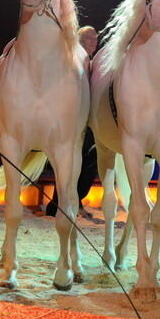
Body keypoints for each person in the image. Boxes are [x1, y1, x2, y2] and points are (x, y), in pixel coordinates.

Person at [45, 26, 99, 218]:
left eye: (95, 39)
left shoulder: (91, 62)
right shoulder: (72, 60)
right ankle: (58, 205)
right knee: (67, 163)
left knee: (86, 163)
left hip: (88, 122)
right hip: (71, 120)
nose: (94, 42)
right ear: (80, 40)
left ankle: (75, 201)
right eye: (90, 39)